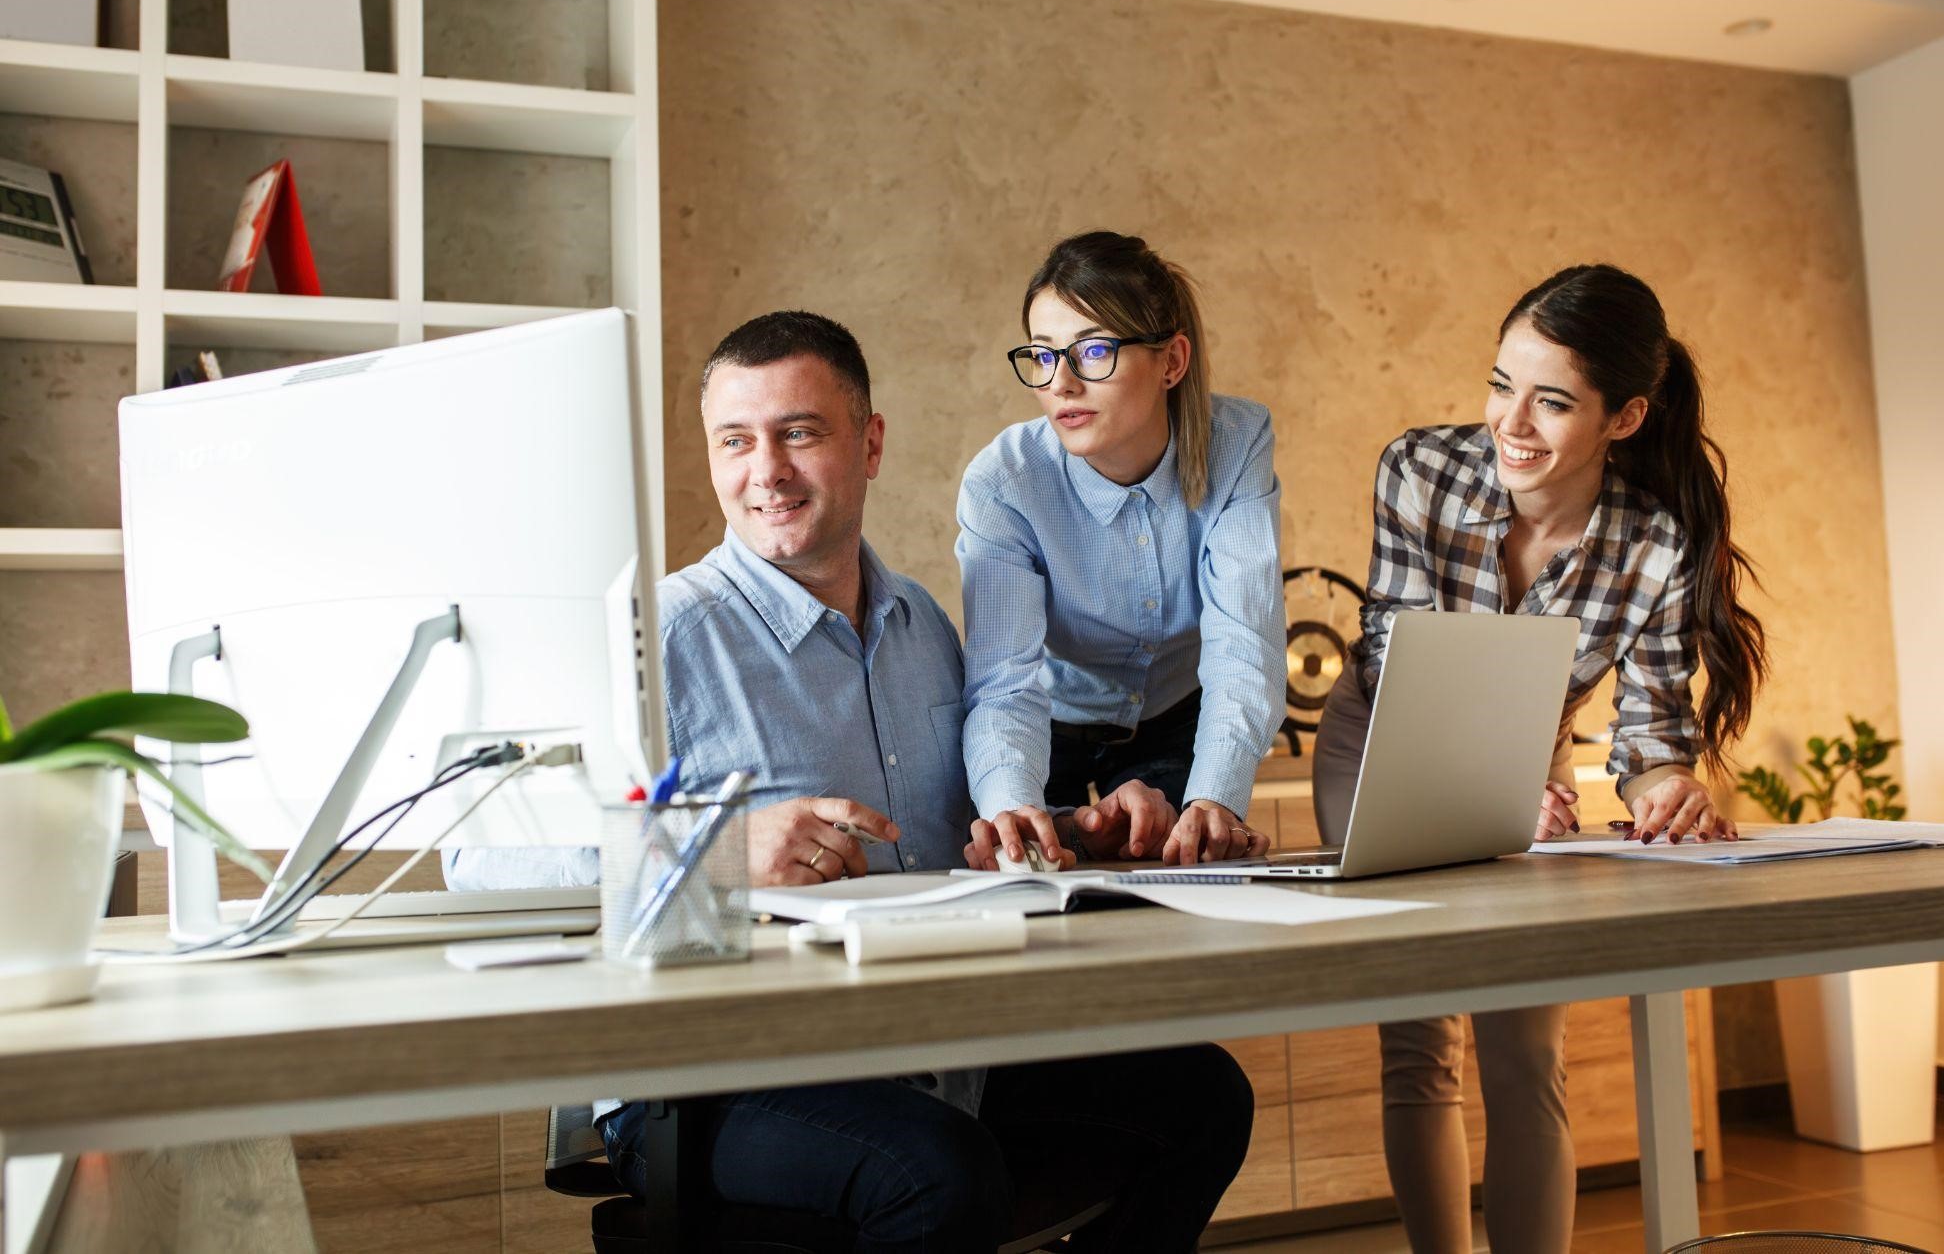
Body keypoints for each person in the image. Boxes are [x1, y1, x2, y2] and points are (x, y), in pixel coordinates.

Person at [451, 309, 1254, 1253]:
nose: (767, 471)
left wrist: (1068, 835)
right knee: (939, 1175)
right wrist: (720, 851)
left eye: (798, 432)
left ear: (869, 443)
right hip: (713, 1076)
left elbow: (946, 836)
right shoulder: (654, 636)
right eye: (736, 441)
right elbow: (478, 855)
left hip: (922, 1049)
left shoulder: (924, 626)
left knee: (1202, 1096)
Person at [1311, 264, 1768, 1254]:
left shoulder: (1654, 541)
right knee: (1421, 1037)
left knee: (1525, 1051)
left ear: (1624, 416)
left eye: (1551, 401)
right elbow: (1393, 648)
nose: (1509, 424)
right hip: (1381, 737)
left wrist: (1668, 789)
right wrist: (1498, 778)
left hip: (1531, 753)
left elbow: (1648, 732)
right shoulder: (1420, 469)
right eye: (1499, 384)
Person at [956, 231, 1287, 871]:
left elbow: (1244, 639)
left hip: (1174, 721)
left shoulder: (1237, 442)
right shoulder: (1003, 481)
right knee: (1034, 874)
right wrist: (1011, 806)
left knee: (1183, 870)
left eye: (1096, 350)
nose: (1063, 383)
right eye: (1044, 356)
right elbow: (1003, 681)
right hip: (1043, 730)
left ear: (1172, 361)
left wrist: (1217, 797)